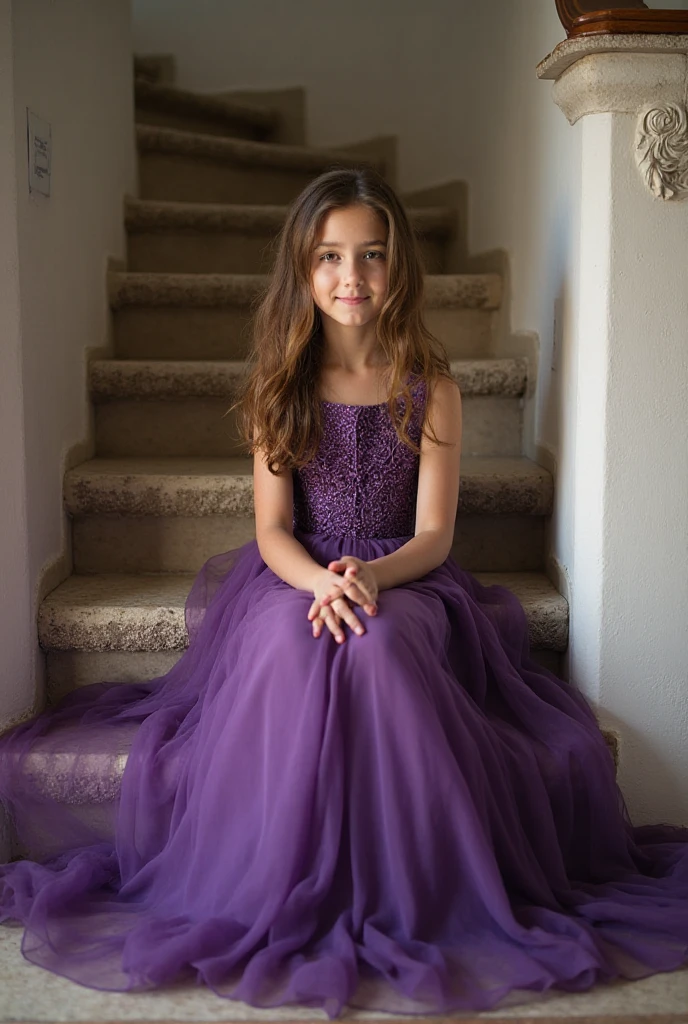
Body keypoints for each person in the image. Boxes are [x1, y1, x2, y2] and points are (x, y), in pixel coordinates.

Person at [0, 166, 687, 1019]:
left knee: (383, 646)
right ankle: (276, 880)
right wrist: (321, 582)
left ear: (399, 266)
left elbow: (435, 535)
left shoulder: (432, 389)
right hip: (297, 575)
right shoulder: (279, 387)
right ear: (303, 267)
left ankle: (413, 887)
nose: (351, 276)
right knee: (290, 644)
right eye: (329, 256)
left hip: (407, 578)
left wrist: (372, 576)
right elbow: (271, 530)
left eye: (371, 255)